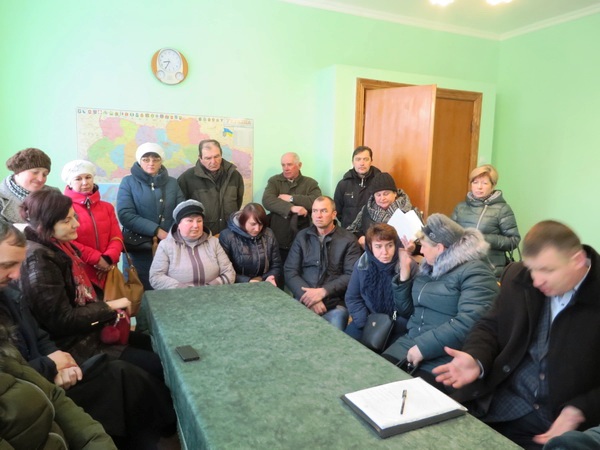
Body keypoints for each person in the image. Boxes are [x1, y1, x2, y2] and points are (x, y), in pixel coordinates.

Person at [0, 219, 176, 449]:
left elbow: (39, 335)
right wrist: (52, 365)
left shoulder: (9, 293)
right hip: (38, 387)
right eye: (7, 265)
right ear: (49, 221)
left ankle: (158, 433)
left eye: (17, 265)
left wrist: (56, 357)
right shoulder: (41, 260)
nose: (16, 274)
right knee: (126, 377)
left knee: (135, 373)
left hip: (51, 371)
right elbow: (59, 323)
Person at [432, 220, 600, 449]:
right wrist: (476, 357)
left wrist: (580, 409)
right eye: (532, 269)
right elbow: (491, 326)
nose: (537, 280)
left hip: (555, 425)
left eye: (547, 270)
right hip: (497, 400)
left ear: (578, 260)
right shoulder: (519, 277)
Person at [19, 190, 165, 382]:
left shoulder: (60, 245)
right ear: (44, 225)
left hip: (90, 332)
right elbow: (61, 320)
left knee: (158, 346)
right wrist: (109, 307)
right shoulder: (38, 258)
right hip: (77, 345)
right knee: (157, 365)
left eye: (74, 217)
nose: (76, 224)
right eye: (67, 221)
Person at [382, 214, 498, 382]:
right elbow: (407, 311)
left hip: (446, 355)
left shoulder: (476, 272)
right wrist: (404, 274)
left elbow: (471, 322)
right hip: (409, 344)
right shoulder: (428, 268)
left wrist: (423, 347)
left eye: (424, 246)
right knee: (373, 376)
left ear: (439, 248)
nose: (421, 251)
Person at [0, 345, 116, 449]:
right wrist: (50, 363)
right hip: (57, 367)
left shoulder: (5, 350)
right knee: (115, 372)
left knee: (116, 372)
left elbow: (53, 395)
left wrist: (100, 443)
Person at [284, 196, 361, 330]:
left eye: (324, 211)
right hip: (303, 299)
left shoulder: (348, 240)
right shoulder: (302, 237)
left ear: (334, 214)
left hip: (334, 304)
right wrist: (310, 298)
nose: (318, 215)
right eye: (315, 211)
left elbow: (351, 275)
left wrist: (323, 292)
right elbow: (290, 271)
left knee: (334, 335)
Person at [117, 142, 185, 290]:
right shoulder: (128, 182)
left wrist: (172, 234)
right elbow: (125, 215)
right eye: (146, 159)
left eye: (156, 159)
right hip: (139, 250)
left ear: (161, 161)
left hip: (170, 247)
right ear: (139, 161)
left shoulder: (172, 183)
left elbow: (182, 213)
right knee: (139, 293)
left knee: (169, 291)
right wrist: (157, 231)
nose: (151, 163)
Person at [451, 164, 520, 278]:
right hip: (459, 268)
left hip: (489, 271)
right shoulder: (460, 208)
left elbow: (514, 241)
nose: (479, 187)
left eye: (484, 183)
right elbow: (450, 235)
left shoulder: (502, 209)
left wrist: (484, 239)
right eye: (475, 182)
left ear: (493, 185)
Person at [62, 159, 123, 289]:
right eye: (78, 179)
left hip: (109, 271)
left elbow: (116, 236)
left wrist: (108, 258)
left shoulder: (107, 207)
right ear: (69, 183)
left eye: (88, 177)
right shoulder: (63, 208)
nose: (85, 182)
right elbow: (66, 240)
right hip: (80, 272)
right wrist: (97, 259)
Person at [150, 199, 235, 289]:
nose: (195, 225)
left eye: (199, 221)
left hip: (213, 293)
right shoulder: (166, 246)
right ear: (179, 225)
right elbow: (156, 278)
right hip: (178, 295)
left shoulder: (213, 242)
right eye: (190, 221)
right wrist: (186, 290)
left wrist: (209, 288)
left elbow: (229, 272)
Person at [345, 224, 408, 344]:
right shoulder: (362, 265)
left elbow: (409, 307)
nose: (385, 252)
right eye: (378, 246)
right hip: (367, 320)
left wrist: (391, 326)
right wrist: (366, 323)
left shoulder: (406, 266)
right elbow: (353, 297)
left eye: (389, 245)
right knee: (345, 346)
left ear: (396, 245)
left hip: (396, 326)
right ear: (370, 247)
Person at [262, 152, 322, 264]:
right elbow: (267, 200)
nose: (286, 168)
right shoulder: (274, 181)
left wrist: (291, 198)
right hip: (279, 238)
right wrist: (291, 208)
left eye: (289, 164)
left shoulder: (310, 183)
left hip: (303, 238)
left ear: (299, 165)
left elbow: (316, 201)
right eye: (283, 165)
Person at [177, 139, 244, 235]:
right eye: (208, 158)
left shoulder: (234, 175)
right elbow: (182, 211)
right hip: (203, 235)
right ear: (200, 158)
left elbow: (238, 202)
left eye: (217, 156)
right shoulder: (186, 179)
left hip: (230, 234)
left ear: (221, 155)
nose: (213, 161)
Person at [218, 203, 282, 287]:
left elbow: (276, 265)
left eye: (261, 224)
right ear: (243, 221)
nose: (257, 229)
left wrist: (270, 277)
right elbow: (224, 270)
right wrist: (248, 281)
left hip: (264, 283)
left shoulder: (268, 234)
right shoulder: (227, 236)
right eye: (253, 224)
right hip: (236, 286)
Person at [347, 172, 415, 248]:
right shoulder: (366, 210)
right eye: (378, 195)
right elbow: (352, 231)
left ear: (395, 193)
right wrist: (360, 238)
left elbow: (421, 241)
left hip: (402, 253)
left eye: (386, 194)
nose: (382, 198)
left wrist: (413, 248)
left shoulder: (410, 211)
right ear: (374, 196)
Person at [0, 147, 53, 225]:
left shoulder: (53, 194)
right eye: (35, 172)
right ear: (18, 172)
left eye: (44, 174)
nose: (40, 179)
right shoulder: (1, 199)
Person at [334, 145, 382, 228]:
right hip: (348, 231)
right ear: (353, 162)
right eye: (358, 159)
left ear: (371, 161)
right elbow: (337, 210)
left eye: (365, 159)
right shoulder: (343, 184)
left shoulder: (380, 182)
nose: (362, 163)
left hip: (373, 231)